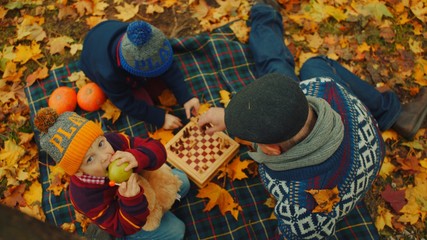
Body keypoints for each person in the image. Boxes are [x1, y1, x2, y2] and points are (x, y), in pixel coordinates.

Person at [198, 1, 427, 239]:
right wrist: (229, 116)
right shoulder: (324, 89)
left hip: (335, 184)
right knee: (314, 64)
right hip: (365, 144)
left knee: (274, 65)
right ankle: (394, 114)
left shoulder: (301, 206)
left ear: (272, 150)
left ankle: (264, 13)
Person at [34, 107, 190, 240]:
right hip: (129, 216)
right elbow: (120, 226)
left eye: (100, 144)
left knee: (184, 181)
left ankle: (161, 206)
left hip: (146, 182)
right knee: (177, 230)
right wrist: (131, 201)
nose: (105, 157)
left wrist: (137, 156)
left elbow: (157, 149)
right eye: (90, 159)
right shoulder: (84, 197)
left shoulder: (114, 141)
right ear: (79, 171)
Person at [79, 20, 200, 130]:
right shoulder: (109, 74)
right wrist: (159, 118)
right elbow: (125, 102)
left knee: (161, 85)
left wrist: (185, 97)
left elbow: (169, 66)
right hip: (94, 58)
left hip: (108, 30)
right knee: (146, 100)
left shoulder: (144, 36)